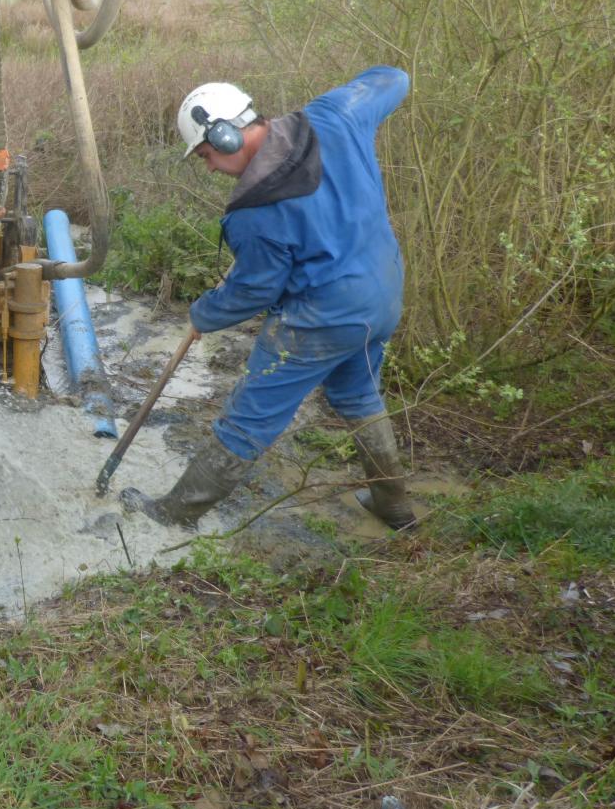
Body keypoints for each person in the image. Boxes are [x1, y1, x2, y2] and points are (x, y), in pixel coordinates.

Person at [120, 67, 416, 530]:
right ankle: (393, 504)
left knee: (249, 416)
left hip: (321, 319)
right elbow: (394, 78)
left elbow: (254, 289)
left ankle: (175, 514)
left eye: (205, 154)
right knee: (358, 393)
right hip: (383, 296)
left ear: (226, 135)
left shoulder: (253, 212)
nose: (210, 167)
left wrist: (204, 313)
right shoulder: (334, 116)